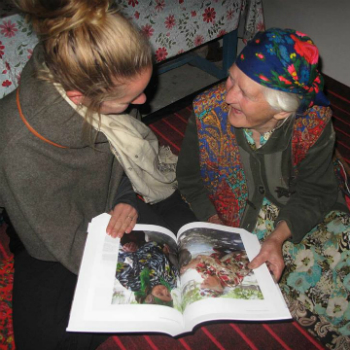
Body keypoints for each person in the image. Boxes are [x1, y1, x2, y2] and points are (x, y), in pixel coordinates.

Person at [0, 1, 196, 349]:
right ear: (79, 97)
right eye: (130, 97)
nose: (143, 101)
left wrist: (122, 200)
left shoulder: (87, 81)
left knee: (180, 244)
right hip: (49, 237)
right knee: (45, 341)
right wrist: (121, 273)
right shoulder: (18, 143)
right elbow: (51, 234)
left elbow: (115, 164)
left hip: (106, 209)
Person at [177, 28, 350, 345]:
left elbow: (315, 190)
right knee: (292, 279)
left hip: (297, 204)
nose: (228, 96)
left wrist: (279, 235)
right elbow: (189, 179)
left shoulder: (313, 122)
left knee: (341, 252)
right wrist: (215, 223)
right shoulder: (206, 114)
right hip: (239, 214)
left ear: (282, 110)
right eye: (231, 79)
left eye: (245, 93)